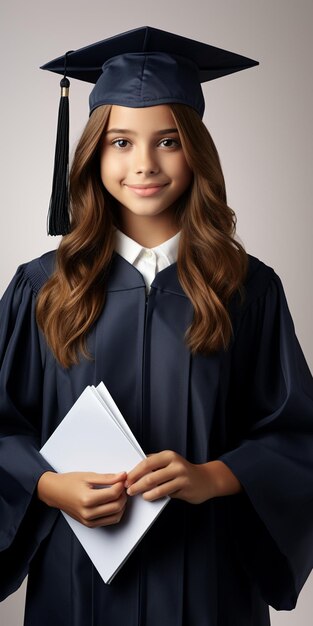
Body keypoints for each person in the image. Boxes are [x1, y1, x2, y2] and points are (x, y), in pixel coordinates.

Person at [0, 25, 313, 626]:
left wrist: (216, 476)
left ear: (197, 150)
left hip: (208, 584)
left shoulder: (249, 289)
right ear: (93, 151)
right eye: (121, 141)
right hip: (78, 586)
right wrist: (47, 487)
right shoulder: (42, 288)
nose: (144, 163)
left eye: (168, 140)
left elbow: (295, 435)